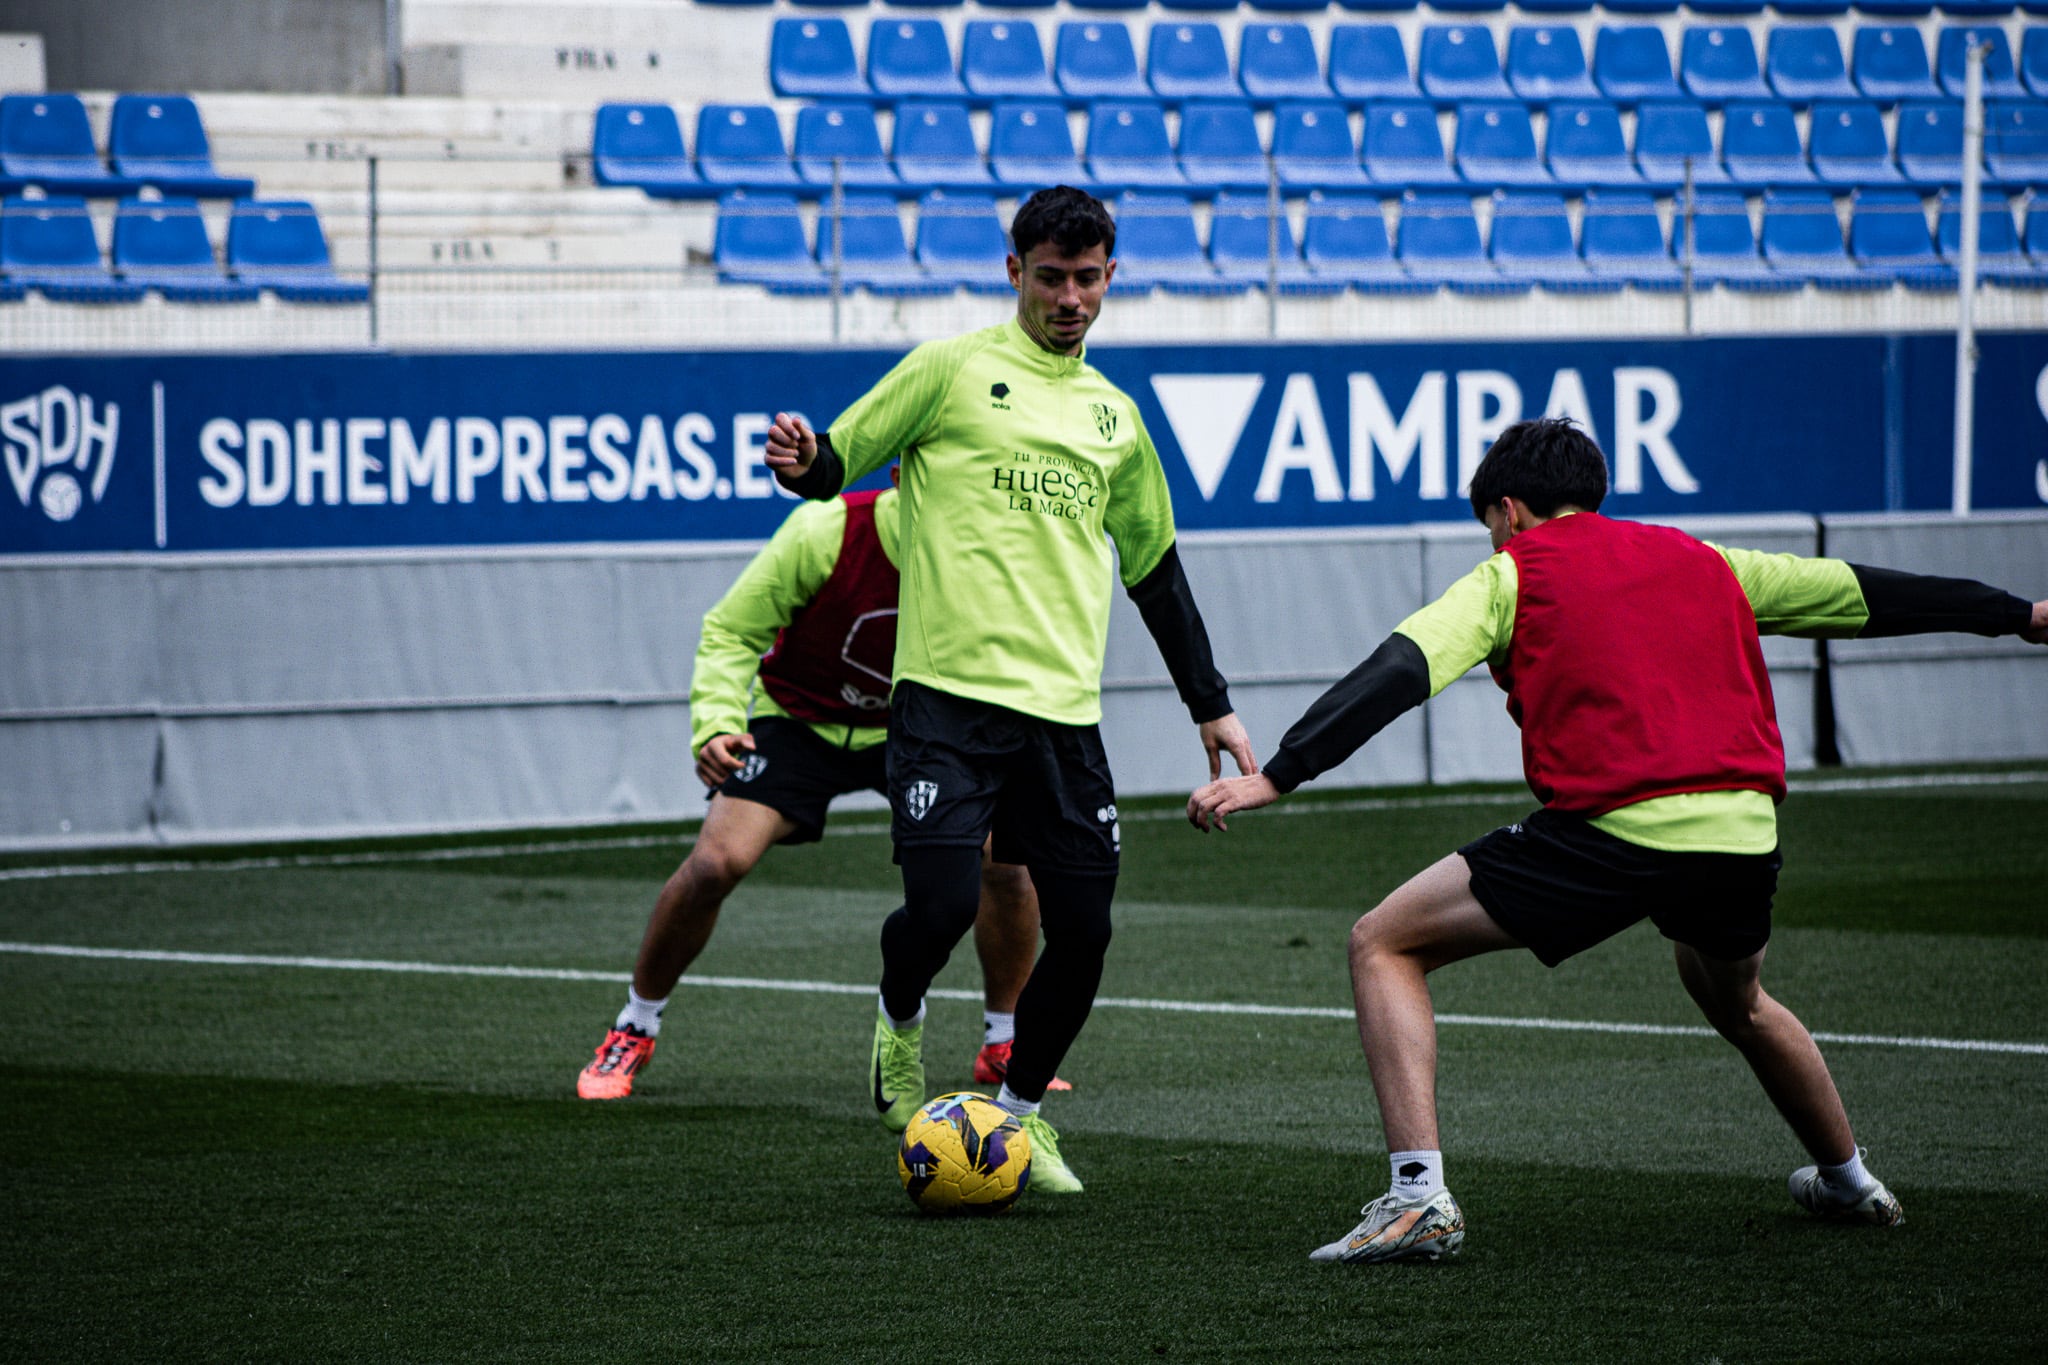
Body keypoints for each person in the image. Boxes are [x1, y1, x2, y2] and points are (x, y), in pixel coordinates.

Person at [1188, 416, 2048, 1264]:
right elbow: (1867, 593)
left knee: (1383, 941)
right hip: (1742, 832)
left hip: (1612, 830)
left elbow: (1401, 666)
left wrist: (1282, 772)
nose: (1491, 539)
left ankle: (1417, 1198)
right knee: (1737, 997)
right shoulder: (1710, 561)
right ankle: (1851, 1179)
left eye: (1489, 524)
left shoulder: (1511, 572)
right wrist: (2019, 614)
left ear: (1511, 510)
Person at [763, 185, 1257, 1194]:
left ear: (1110, 277)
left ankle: (1017, 1120)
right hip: (943, 701)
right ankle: (898, 1024)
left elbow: (1154, 568)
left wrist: (1207, 700)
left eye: (1086, 279)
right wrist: (808, 462)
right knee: (939, 907)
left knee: (1085, 930)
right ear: (1013, 273)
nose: (1067, 298)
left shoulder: (1115, 419)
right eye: (1048, 277)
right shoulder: (950, 370)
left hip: (1063, 720)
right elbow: (838, 460)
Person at [577, 474, 1068, 1100]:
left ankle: (1005, 1041)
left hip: (918, 728)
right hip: (799, 721)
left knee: (1006, 858)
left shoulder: (987, 547)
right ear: (902, 477)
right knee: (715, 864)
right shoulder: (826, 530)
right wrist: (719, 722)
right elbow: (731, 630)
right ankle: (634, 1026)